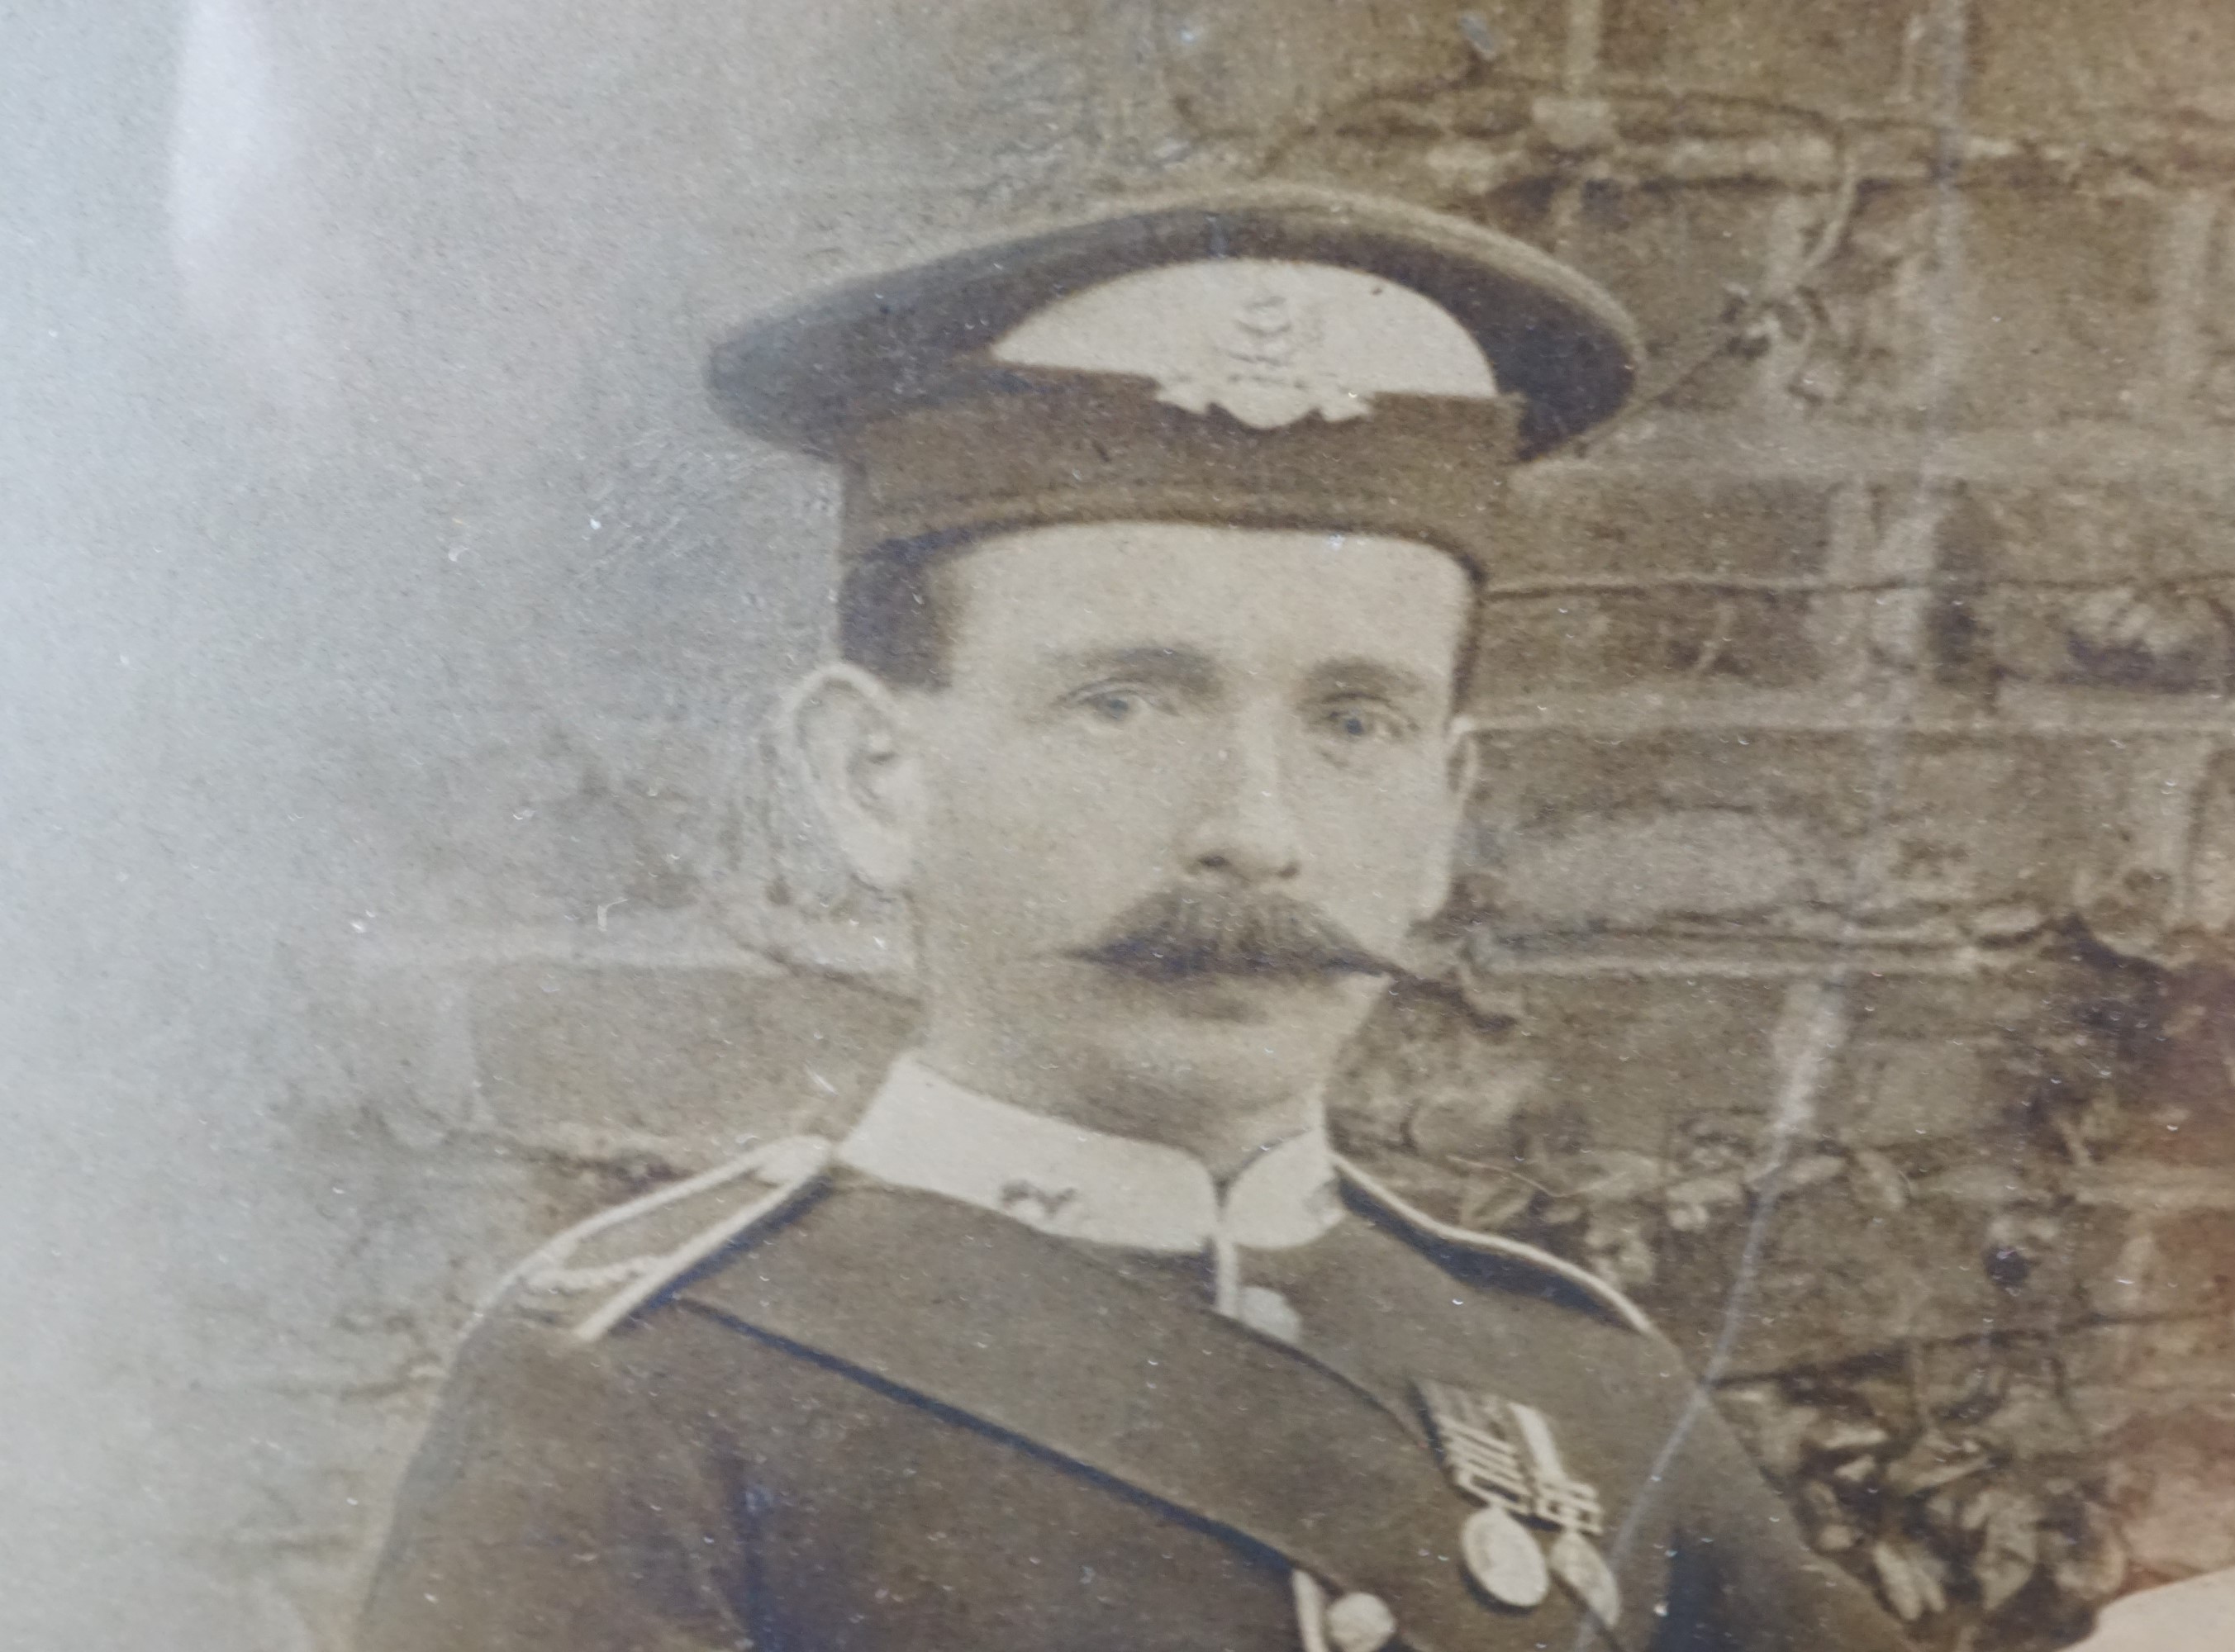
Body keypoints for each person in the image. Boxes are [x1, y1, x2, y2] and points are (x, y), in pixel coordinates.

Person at [358, 183, 1909, 1652]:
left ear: (1446, 808)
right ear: (874, 776)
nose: (1255, 831)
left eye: (1353, 723)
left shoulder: (1586, 1389)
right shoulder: (655, 1388)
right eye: (1122, 705)